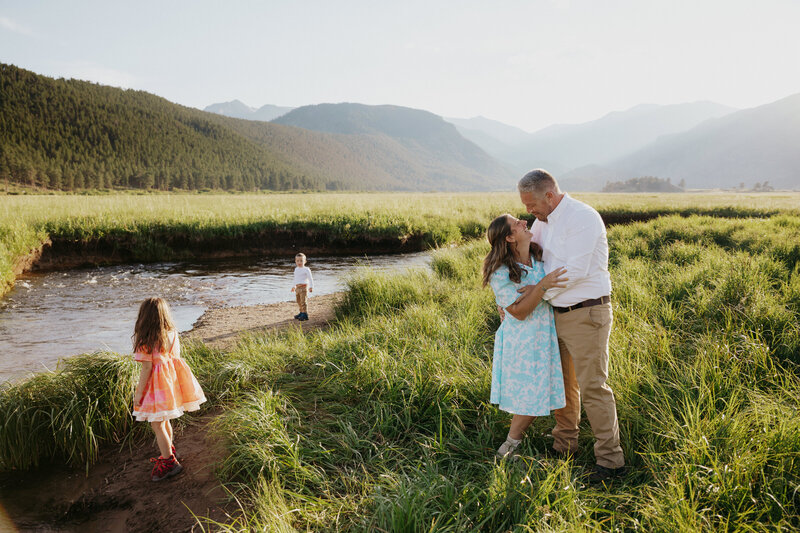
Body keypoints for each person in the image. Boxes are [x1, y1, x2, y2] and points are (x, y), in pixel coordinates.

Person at [515, 169, 626, 482]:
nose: (528, 211)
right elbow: (531, 261)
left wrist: (536, 292)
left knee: (594, 387)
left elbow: (573, 272)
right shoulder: (541, 222)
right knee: (563, 386)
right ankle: (564, 448)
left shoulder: (583, 218)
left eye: (531, 204)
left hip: (586, 315)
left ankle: (610, 463)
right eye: (525, 206)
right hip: (555, 314)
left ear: (549, 195)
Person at [483, 213, 569, 460]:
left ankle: (524, 442)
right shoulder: (500, 273)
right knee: (530, 395)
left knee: (538, 392)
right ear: (509, 237)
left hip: (546, 337)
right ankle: (508, 448)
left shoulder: (539, 259)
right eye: (516, 223)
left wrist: (542, 285)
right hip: (521, 341)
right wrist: (544, 285)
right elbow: (519, 312)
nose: (523, 221)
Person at [132, 297, 206, 482]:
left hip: (157, 386)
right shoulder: (171, 333)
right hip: (170, 382)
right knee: (163, 420)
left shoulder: (147, 339)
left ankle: (169, 462)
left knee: (156, 423)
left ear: (144, 317)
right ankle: (169, 451)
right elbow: (176, 357)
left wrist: (139, 394)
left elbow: (147, 368)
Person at [291, 252, 314, 321]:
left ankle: (305, 314)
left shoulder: (306, 269)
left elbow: (310, 278)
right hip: (297, 288)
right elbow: (295, 278)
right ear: (295, 261)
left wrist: (311, 286)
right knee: (298, 301)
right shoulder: (296, 269)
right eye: (297, 261)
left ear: (305, 261)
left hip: (304, 287)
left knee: (303, 301)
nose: (299, 262)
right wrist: (293, 286)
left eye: (301, 260)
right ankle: (301, 312)